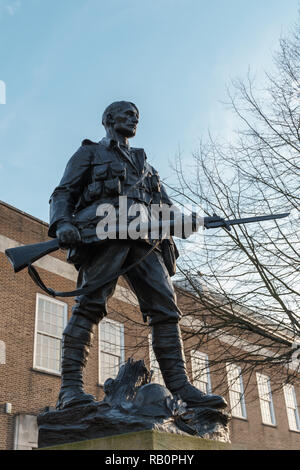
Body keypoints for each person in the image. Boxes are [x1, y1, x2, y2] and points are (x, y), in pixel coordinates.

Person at [49, 100, 227, 410]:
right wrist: (63, 223)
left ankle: (181, 389)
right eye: (127, 114)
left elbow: (168, 212)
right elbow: (63, 192)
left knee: (166, 311)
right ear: (109, 119)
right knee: (90, 306)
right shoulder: (89, 153)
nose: (134, 120)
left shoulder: (146, 167)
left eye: (137, 116)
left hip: (145, 243)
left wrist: (198, 220)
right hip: (106, 236)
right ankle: (70, 389)